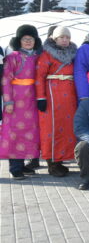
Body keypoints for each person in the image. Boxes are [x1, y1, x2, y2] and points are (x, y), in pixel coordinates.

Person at [0, 25, 42, 179]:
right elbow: (5, 80)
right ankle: (15, 167)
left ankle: (23, 164)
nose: (28, 41)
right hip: (16, 100)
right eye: (25, 39)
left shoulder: (37, 57)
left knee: (29, 132)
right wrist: (8, 102)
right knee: (15, 133)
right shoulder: (13, 57)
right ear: (19, 41)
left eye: (31, 39)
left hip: (31, 99)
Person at [35, 26, 78, 177]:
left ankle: (61, 159)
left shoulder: (74, 54)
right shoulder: (46, 55)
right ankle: (52, 163)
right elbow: (39, 77)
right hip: (52, 95)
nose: (65, 40)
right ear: (55, 38)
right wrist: (41, 97)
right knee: (51, 128)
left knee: (67, 128)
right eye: (61, 37)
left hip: (70, 95)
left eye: (67, 37)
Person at [25, 24, 57, 171]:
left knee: (42, 127)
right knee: (33, 127)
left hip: (42, 91)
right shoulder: (40, 50)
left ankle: (48, 156)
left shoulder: (54, 52)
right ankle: (34, 157)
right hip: (27, 92)